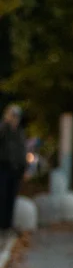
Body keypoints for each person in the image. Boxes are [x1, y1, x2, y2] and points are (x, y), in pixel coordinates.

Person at [0, 104, 26, 242]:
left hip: (15, 169)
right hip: (3, 167)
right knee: (2, 196)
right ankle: (2, 226)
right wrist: (6, 123)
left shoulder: (20, 132)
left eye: (16, 116)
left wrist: (23, 166)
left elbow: (22, 150)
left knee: (11, 197)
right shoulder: (4, 128)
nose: (15, 118)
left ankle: (7, 226)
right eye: (12, 115)